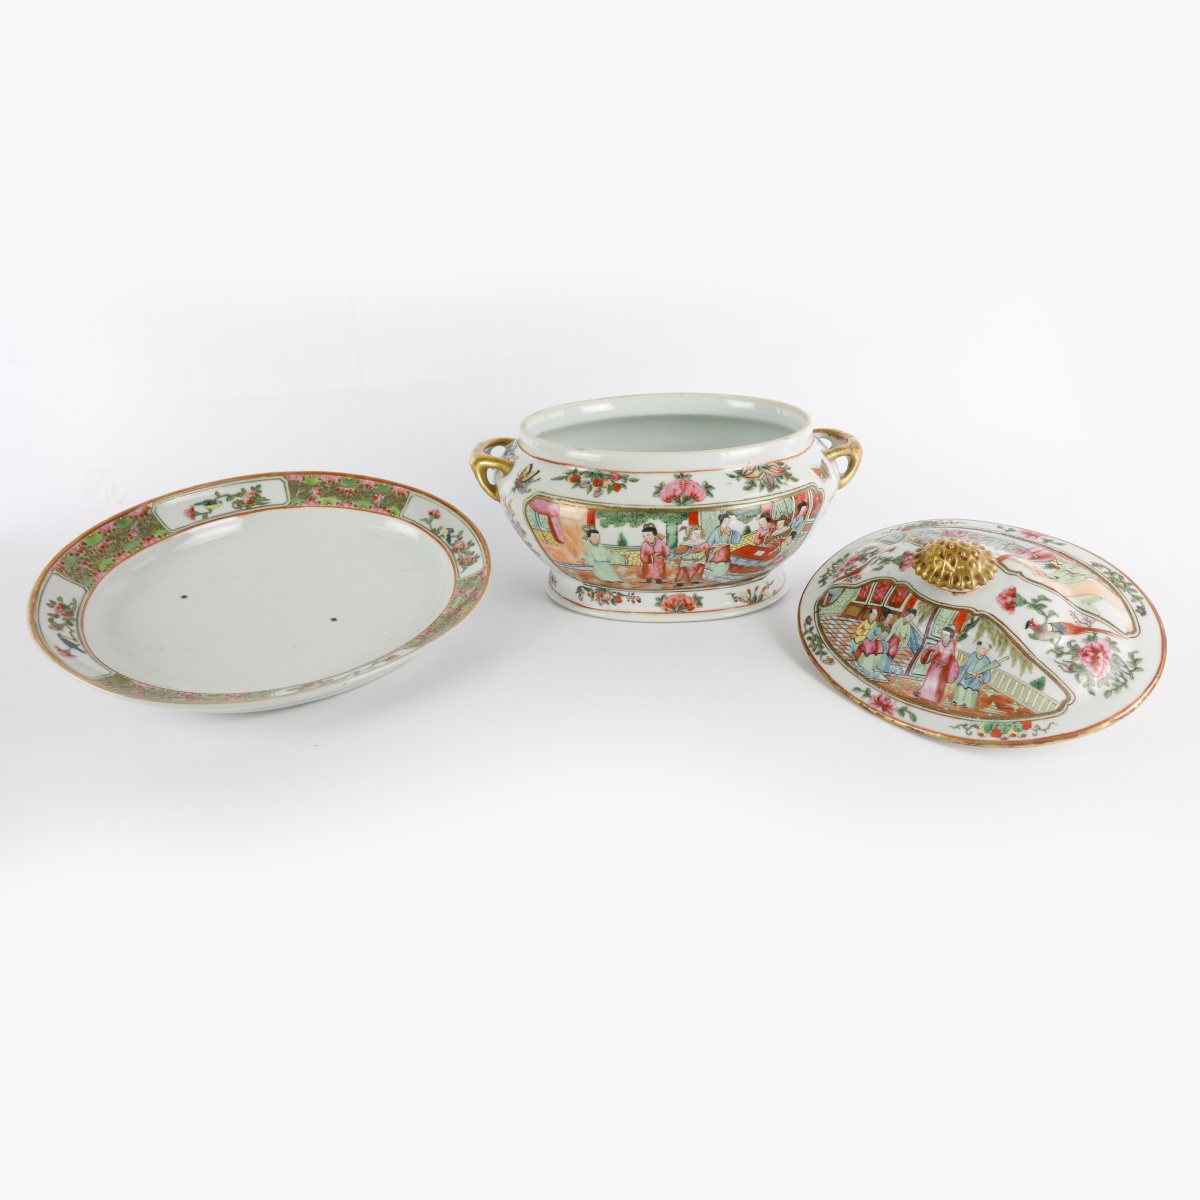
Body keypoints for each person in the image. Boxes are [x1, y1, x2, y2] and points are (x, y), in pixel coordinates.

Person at [916, 627, 961, 704]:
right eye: (942, 634)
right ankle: (922, 694)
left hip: (943, 668)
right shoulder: (939, 643)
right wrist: (931, 652)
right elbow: (933, 649)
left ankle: (933, 698)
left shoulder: (951, 646)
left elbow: (952, 657)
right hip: (934, 665)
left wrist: (952, 668)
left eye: (945, 635)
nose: (943, 636)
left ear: (950, 637)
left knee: (937, 683)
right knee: (929, 680)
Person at [951, 640, 995, 708]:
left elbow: (987, 673)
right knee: (961, 687)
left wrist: (979, 676)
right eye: (983, 648)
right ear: (978, 647)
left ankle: (968, 704)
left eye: (987, 650)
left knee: (971, 690)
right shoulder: (973, 655)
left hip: (976, 679)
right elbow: (966, 666)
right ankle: (957, 701)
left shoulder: (986, 661)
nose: (985, 651)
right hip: (966, 675)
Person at [886, 607, 923, 674]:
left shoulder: (908, 626)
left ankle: (886, 667)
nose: (910, 619)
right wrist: (897, 634)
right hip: (893, 638)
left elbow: (907, 637)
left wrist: (902, 643)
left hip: (898, 642)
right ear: (906, 614)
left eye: (912, 618)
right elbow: (893, 628)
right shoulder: (900, 620)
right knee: (887, 651)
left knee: (892, 654)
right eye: (910, 617)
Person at [853, 607, 887, 678]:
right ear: (869, 614)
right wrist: (866, 632)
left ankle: (870, 667)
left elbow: (878, 633)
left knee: (878, 649)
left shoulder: (876, 624)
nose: (874, 616)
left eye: (876, 615)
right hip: (863, 638)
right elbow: (858, 631)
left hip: (872, 640)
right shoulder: (864, 622)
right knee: (866, 647)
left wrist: (877, 636)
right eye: (873, 614)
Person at [704, 512, 738, 579]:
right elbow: (709, 542)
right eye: (725, 521)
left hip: (724, 552)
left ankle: (712, 575)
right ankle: (711, 573)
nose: (727, 523)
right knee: (714, 565)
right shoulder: (716, 530)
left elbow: (733, 541)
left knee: (723, 566)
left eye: (728, 522)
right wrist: (714, 547)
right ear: (721, 521)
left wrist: (729, 535)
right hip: (716, 552)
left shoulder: (728, 530)